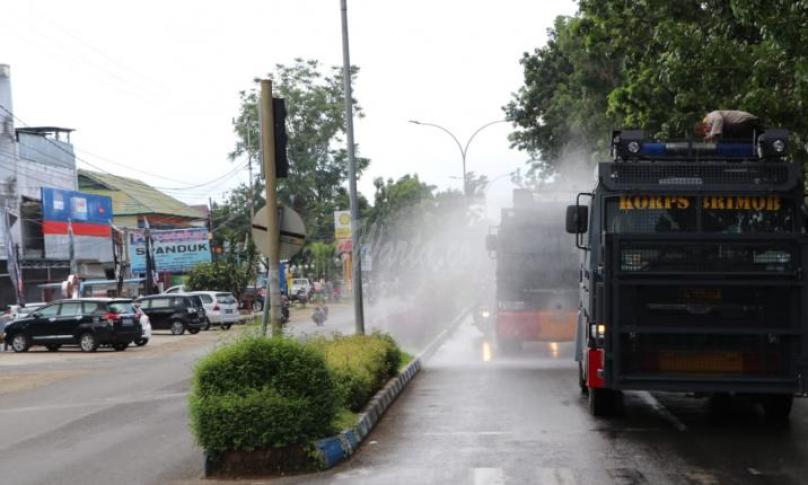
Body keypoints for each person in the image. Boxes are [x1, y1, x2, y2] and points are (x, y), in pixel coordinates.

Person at [697, 110, 762, 142]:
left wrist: (712, 135)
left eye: (705, 130)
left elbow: (719, 119)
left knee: (724, 131)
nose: (707, 132)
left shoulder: (711, 116)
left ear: (703, 125)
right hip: (744, 124)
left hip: (746, 121)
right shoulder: (710, 122)